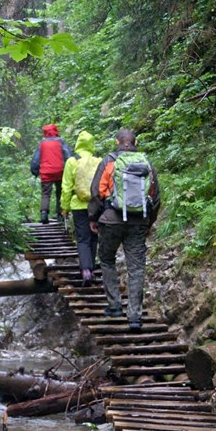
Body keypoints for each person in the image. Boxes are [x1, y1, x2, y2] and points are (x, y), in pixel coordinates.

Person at [88, 128, 160, 329]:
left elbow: (96, 192)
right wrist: (149, 222)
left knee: (107, 259)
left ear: (117, 141)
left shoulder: (109, 161)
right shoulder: (146, 163)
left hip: (111, 220)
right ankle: (135, 317)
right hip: (139, 222)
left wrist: (93, 217)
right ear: (135, 142)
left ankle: (114, 306)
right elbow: (155, 197)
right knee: (136, 267)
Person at [60, 130, 101, 282]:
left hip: (78, 205)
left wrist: (64, 208)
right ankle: (93, 267)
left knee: (82, 238)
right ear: (92, 144)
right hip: (96, 205)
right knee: (94, 236)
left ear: (78, 144)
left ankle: (85, 270)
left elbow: (66, 188)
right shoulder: (98, 161)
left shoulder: (72, 161)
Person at [29, 123, 72, 223]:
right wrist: (70, 166)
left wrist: (34, 170)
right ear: (55, 131)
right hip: (59, 171)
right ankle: (60, 214)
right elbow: (67, 154)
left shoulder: (42, 143)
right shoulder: (61, 141)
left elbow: (36, 158)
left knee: (45, 193)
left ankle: (44, 213)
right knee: (60, 192)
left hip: (46, 172)